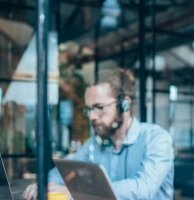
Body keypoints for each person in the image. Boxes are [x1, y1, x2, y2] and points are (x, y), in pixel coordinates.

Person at [22, 68, 174, 200]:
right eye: (89, 109)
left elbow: (143, 188)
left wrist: (75, 192)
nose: (92, 116)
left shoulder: (157, 139)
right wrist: (43, 185)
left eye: (99, 107)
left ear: (124, 104)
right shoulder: (95, 143)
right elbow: (64, 172)